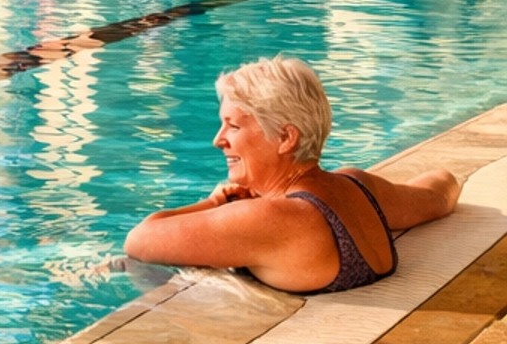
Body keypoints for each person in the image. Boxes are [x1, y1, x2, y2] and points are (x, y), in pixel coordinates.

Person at [123, 57, 459, 294]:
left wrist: (213, 203)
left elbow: (139, 241)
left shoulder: (269, 218)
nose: (218, 139)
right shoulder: (357, 185)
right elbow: (441, 191)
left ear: (285, 138)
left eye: (234, 126)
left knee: (125, 268)